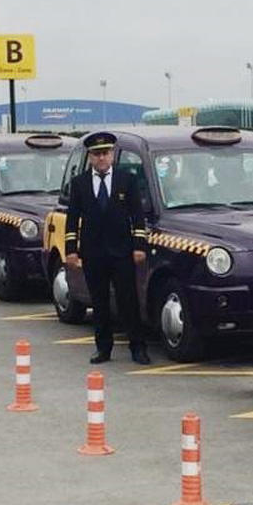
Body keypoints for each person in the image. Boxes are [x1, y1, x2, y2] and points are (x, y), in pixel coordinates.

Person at [64, 132, 151, 365]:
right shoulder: (80, 183)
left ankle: (138, 347)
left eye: (105, 153)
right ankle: (103, 348)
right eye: (96, 154)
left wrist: (139, 245)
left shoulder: (127, 180)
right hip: (93, 253)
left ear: (112, 154)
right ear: (90, 157)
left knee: (128, 302)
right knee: (99, 303)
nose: (101, 158)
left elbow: (137, 215)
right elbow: (72, 218)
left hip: (122, 252)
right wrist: (71, 250)